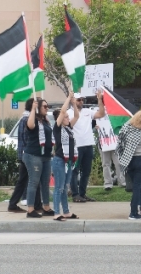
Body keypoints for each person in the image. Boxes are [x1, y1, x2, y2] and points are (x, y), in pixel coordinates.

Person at [117, 111, 141, 220]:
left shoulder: (126, 129)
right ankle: (133, 212)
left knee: (135, 186)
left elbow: (120, 141)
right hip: (140, 159)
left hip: (128, 160)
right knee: (138, 187)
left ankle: (136, 208)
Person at [68, 93, 105, 203]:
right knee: (75, 171)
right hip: (76, 146)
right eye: (79, 100)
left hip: (88, 144)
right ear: (73, 100)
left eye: (82, 100)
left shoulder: (87, 111)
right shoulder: (69, 113)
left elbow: (101, 114)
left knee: (86, 171)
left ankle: (82, 194)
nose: (81, 102)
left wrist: (99, 100)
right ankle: (75, 194)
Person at [7, 103, 43, 214]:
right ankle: (16, 204)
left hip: (25, 154)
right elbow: (27, 137)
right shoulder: (27, 120)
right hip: (28, 154)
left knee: (28, 179)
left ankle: (16, 204)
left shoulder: (25, 118)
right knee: (30, 180)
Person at [23, 96, 56, 218]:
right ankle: (30, 209)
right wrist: (33, 109)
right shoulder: (34, 119)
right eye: (45, 106)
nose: (47, 108)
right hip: (33, 155)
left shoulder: (46, 121)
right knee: (34, 182)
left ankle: (46, 207)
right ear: (38, 108)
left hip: (46, 156)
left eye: (48, 106)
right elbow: (30, 126)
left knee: (45, 183)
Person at [51, 92, 79, 221]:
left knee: (65, 187)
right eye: (66, 117)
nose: (68, 118)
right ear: (61, 119)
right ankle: (57, 212)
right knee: (59, 187)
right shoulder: (57, 128)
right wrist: (68, 98)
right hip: (59, 160)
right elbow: (62, 112)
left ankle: (66, 211)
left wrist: (74, 104)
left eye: (68, 117)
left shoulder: (69, 128)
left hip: (69, 162)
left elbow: (77, 116)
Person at [94, 90, 126, 192]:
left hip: (114, 142)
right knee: (105, 164)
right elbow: (90, 125)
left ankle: (122, 181)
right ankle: (108, 183)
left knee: (118, 162)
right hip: (103, 142)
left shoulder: (114, 111)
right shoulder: (96, 111)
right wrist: (95, 127)